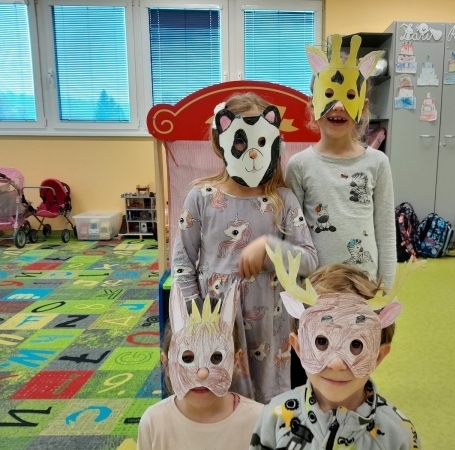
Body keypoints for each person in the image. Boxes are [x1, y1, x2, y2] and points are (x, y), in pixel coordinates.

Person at [171, 92, 318, 403]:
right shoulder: (201, 197)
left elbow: (309, 260)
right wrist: (196, 318)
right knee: (219, 393)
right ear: (220, 143)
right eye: (240, 142)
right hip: (217, 320)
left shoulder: (283, 200)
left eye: (262, 142)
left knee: (267, 402)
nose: (252, 153)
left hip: (270, 328)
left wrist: (270, 248)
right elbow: (182, 263)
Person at [249, 245, 423, 450]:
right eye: (321, 342)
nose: (337, 363)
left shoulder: (398, 434)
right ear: (298, 347)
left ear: (378, 356)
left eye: (356, 344)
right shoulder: (274, 417)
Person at [285, 34, 396, 288]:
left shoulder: (377, 163)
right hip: (316, 287)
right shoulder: (299, 165)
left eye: (348, 96)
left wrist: (386, 292)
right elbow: (293, 236)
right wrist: (295, 292)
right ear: (313, 105)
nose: (338, 106)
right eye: (329, 95)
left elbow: (386, 234)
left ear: (363, 106)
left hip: (364, 286)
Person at [137, 283, 263, 450]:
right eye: (187, 358)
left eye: (216, 357)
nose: (202, 373)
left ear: (235, 361)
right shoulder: (153, 422)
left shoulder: (260, 420)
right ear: (166, 364)